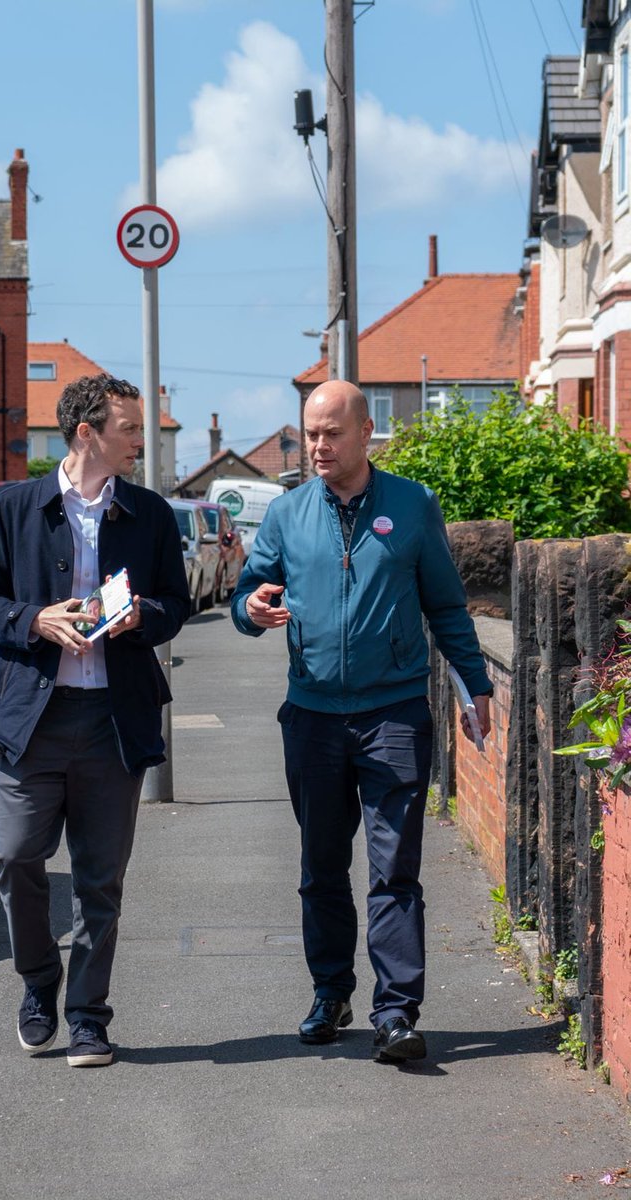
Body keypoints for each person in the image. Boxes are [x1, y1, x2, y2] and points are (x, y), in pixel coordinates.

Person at [231, 380, 492, 1064]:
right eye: (310, 433)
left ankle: (397, 1012)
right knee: (321, 865)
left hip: (394, 713)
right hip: (313, 715)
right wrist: (250, 611)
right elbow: (247, 594)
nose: (317, 445)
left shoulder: (411, 504)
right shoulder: (287, 514)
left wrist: (476, 686)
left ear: (365, 433)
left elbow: (446, 606)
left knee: (393, 868)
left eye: (331, 433)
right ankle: (330, 992)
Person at [0, 374, 190, 1068]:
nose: (140, 441)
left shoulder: (150, 514)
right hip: (32, 718)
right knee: (14, 859)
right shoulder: (17, 507)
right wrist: (31, 619)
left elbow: (175, 606)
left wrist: (134, 618)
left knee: (100, 880)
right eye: (129, 429)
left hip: (111, 721)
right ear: (87, 432)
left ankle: (89, 1018)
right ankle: (39, 982)